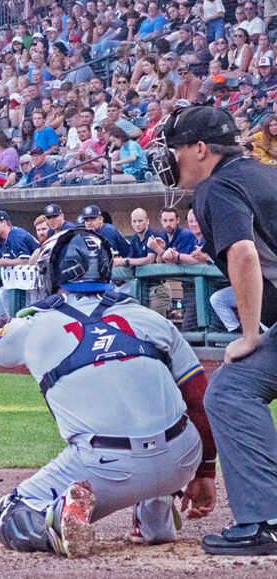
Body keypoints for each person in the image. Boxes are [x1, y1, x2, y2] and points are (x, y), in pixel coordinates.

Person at [0, 229, 214, 558]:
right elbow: (200, 401)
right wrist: (205, 471)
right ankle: (156, 517)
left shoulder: (32, 325)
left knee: (9, 513)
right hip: (181, 458)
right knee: (154, 423)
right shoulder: (151, 318)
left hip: (106, 466)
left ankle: (57, 522)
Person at [152, 104, 277, 555]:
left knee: (230, 390)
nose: (170, 157)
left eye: (176, 147)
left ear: (201, 149)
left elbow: (243, 254)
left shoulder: (217, 186)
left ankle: (266, 521)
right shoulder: (264, 173)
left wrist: (247, 335)